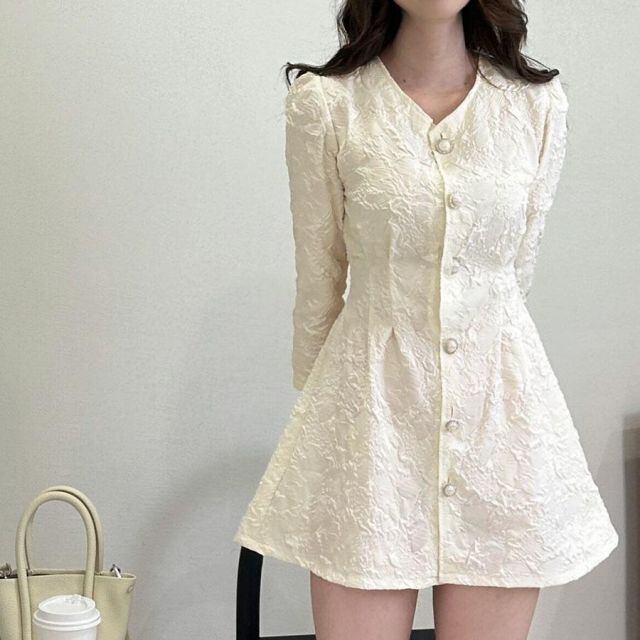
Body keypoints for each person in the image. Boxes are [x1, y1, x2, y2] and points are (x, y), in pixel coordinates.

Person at [234, 1, 619, 638]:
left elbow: (513, 273)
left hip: (500, 424)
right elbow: (319, 277)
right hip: (370, 424)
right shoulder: (327, 105)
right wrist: (328, 427)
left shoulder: (535, 106)